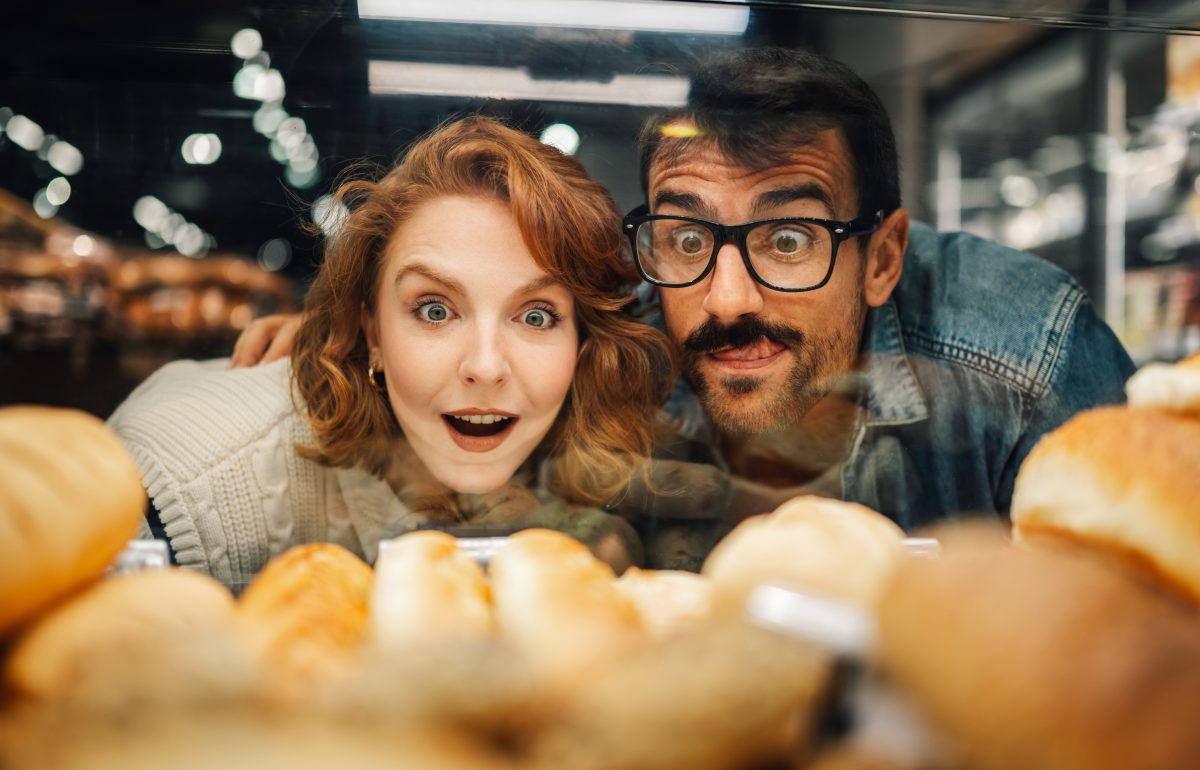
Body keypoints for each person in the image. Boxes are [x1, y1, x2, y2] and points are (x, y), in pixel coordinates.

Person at [231, 48, 1136, 570]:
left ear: (883, 257)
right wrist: (352, 329)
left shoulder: (1022, 356)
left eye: (789, 239)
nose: (725, 299)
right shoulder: (629, 347)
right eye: (688, 237)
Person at [108, 116, 673, 590]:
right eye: (434, 310)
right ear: (371, 331)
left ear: (583, 343)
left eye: (535, 316)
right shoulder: (192, 485)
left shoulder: (573, 445)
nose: (484, 367)